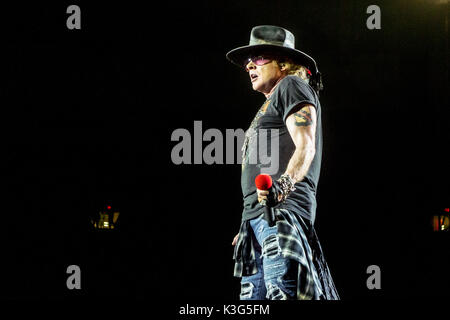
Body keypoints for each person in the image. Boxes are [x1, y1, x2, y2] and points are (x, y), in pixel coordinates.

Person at [226, 25, 339, 300]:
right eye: (247, 62)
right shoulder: (269, 103)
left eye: (259, 58)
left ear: (284, 62)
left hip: (280, 214)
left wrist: (282, 187)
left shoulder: (291, 85)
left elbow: (306, 145)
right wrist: (248, 221)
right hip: (257, 221)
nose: (250, 66)